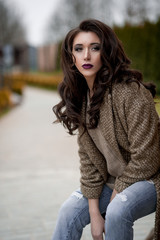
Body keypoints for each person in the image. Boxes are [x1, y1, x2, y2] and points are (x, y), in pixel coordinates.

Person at [52, 19, 160, 240]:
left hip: (150, 179)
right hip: (114, 182)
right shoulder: (81, 98)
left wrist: (115, 196)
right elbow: (89, 160)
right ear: (72, 58)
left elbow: (148, 158)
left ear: (107, 51)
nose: (87, 56)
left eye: (95, 47)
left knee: (118, 210)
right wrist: (94, 212)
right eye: (79, 49)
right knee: (68, 211)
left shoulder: (130, 92)